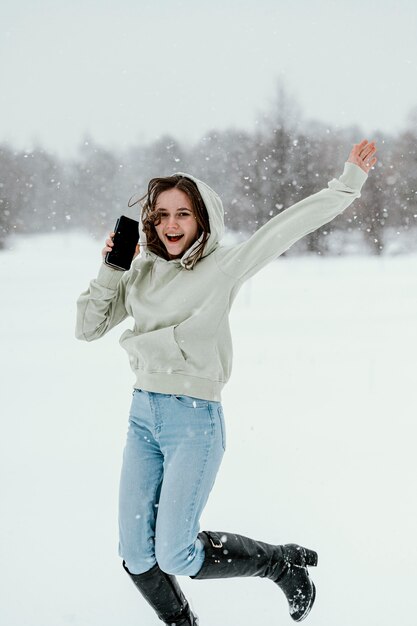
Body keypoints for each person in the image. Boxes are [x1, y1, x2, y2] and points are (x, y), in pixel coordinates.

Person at [75, 139, 377, 625]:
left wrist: (347, 184)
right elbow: (87, 327)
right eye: (162, 215)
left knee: (174, 554)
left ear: (202, 220)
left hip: (193, 422)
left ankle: (280, 564)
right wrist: (112, 269)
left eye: (183, 214)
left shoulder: (223, 267)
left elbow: (287, 227)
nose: (171, 224)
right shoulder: (140, 272)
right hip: (142, 417)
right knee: (135, 555)